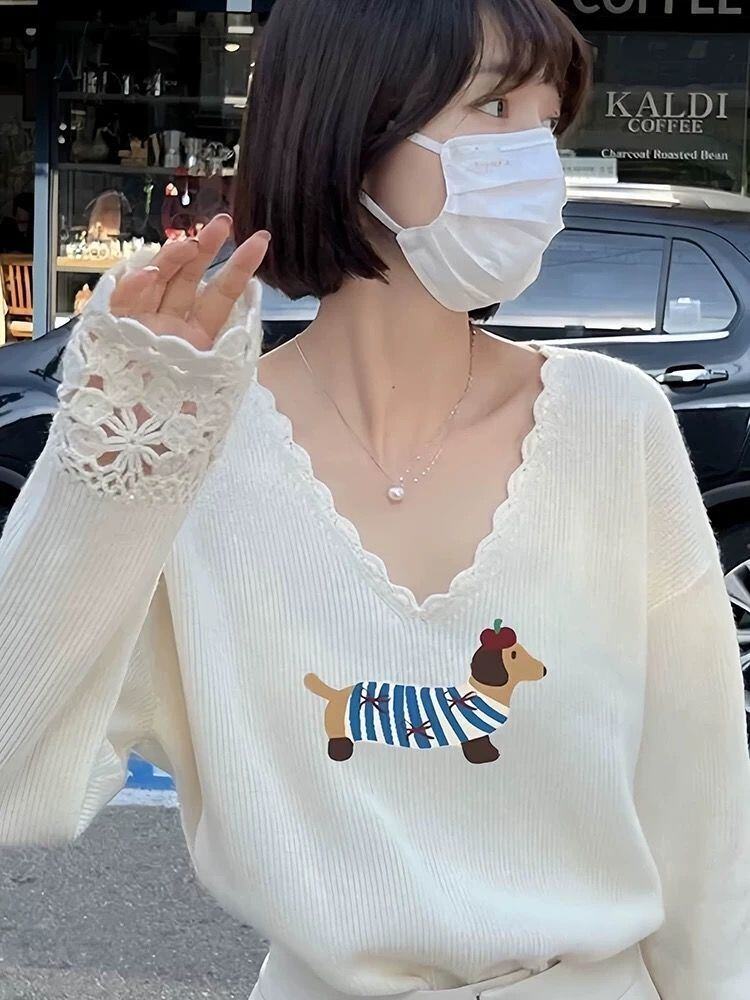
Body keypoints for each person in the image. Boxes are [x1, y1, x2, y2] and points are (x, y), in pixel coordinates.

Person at [0, 2, 747, 1000]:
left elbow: (702, 809)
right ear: (351, 123)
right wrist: (116, 452)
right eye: (494, 106)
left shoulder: (615, 425)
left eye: (547, 121)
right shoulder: (198, 452)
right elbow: (18, 772)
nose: (534, 158)